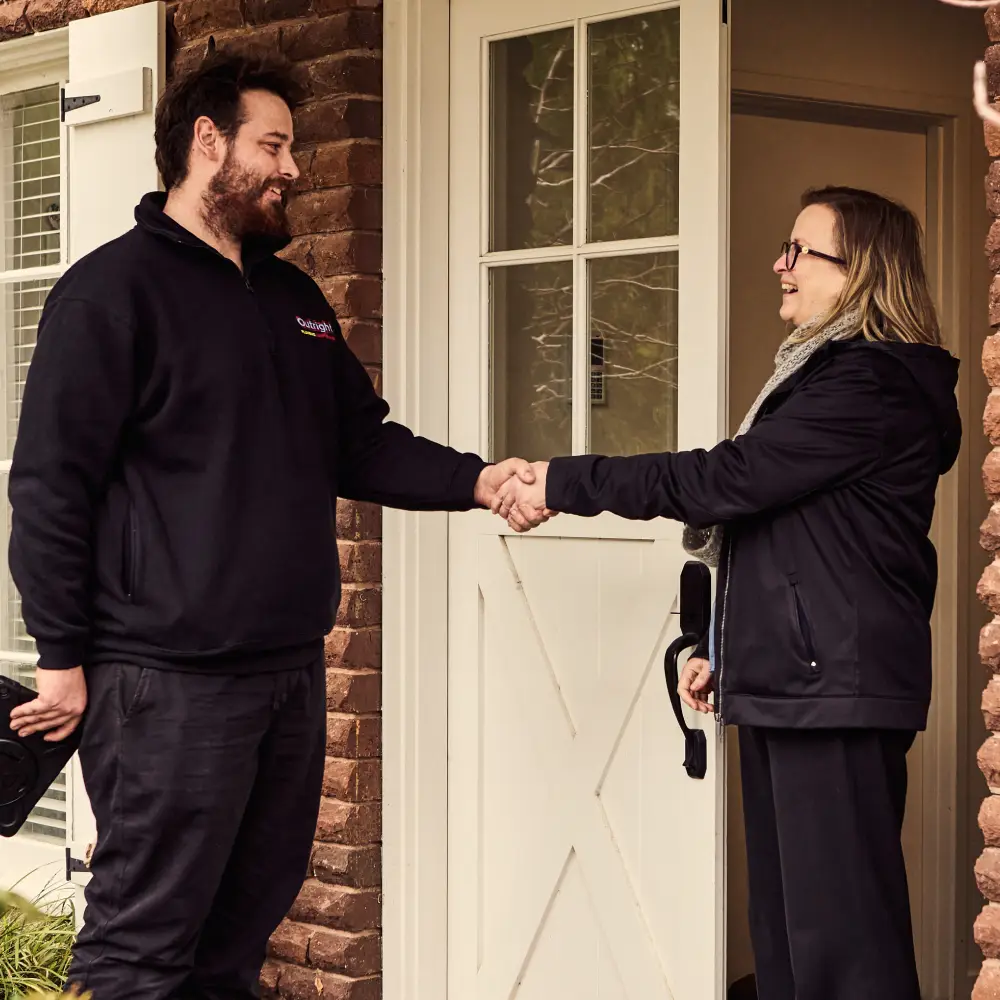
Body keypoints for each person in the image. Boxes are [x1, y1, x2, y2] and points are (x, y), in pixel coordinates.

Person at [6, 53, 535, 999]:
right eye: (275, 144)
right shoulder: (108, 294)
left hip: (286, 673)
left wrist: (481, 481)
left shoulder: (293, 301)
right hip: (163, 682)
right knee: (142, 941)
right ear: (208, 143)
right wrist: (62, 656)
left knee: (241, 932)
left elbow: (361, 445)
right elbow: (51, 486)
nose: (294, 169)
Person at [493, 186, 961, 1000]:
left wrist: (564, 480)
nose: (779, 265)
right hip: (795, 685)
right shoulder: (824, 378)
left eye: (800, 251)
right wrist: (718, 649)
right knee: (786, 941)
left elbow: (728, 480)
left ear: (860, 273)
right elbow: (784, 537)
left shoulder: (872, 384)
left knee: (845, 951)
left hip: (837, 693)